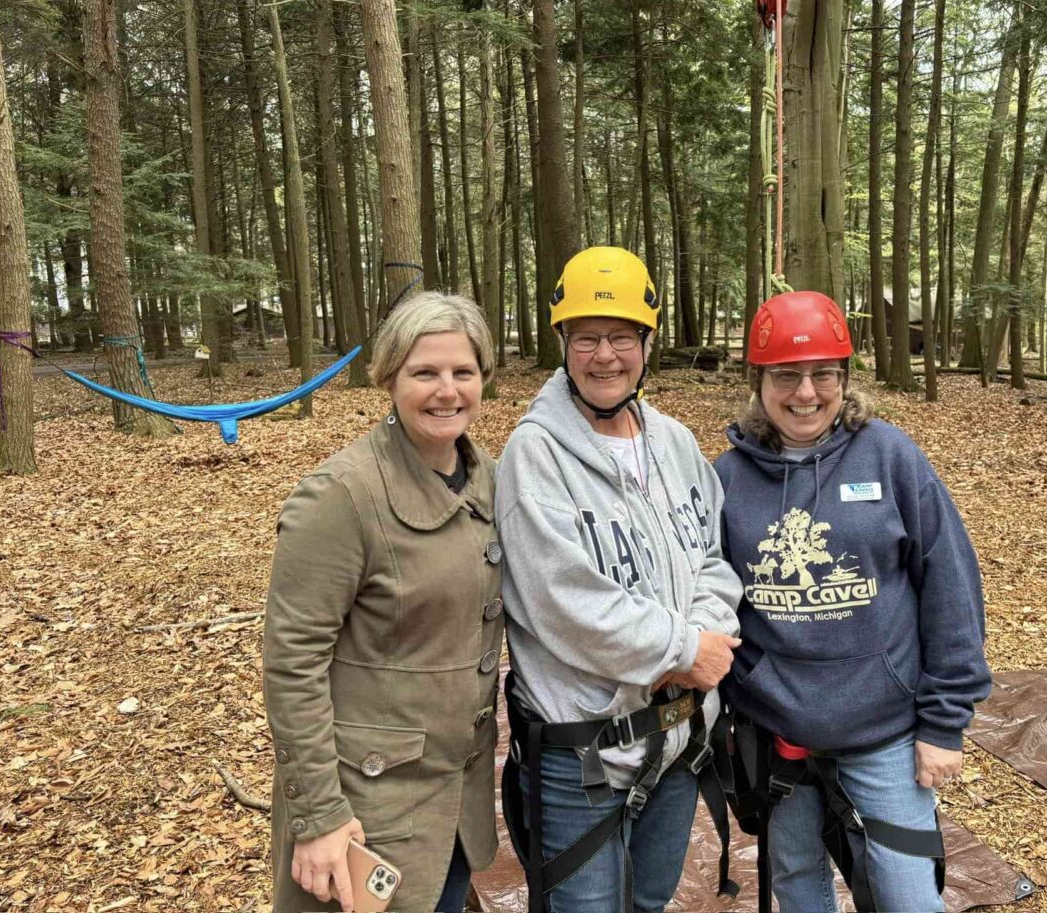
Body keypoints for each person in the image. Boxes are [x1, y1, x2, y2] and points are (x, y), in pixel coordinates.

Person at [713, 290, 991, 913]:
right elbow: (711, 600)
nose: (805, 393)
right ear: (758, 380)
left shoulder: (890, 456)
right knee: (797, 885)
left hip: (885, 730)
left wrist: (944, 722)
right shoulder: (727, 479)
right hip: (779, 735)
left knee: (909, 896)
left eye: (823, 376)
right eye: (786, 375)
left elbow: (951, 587)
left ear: (846, 379)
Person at [495, 246, 744, 913]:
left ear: (646, 342)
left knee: (650, 899)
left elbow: (711, 558)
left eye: (621, 337)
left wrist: (705, 634)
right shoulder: (534, 455)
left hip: (675, 736)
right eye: (587, 338)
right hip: (584, 754)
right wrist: (681, 650)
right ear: (562, 343)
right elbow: (561, 599)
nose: (605, 355)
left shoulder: (673, 443)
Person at [263, 292, 503, 913]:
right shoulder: (340, 497)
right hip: (364, 814)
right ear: (390, 376)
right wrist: (317, 817)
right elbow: (293, 666)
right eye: (425, 372)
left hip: (455, 807)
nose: (446, 390)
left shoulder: (491, 479)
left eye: (463, 372)